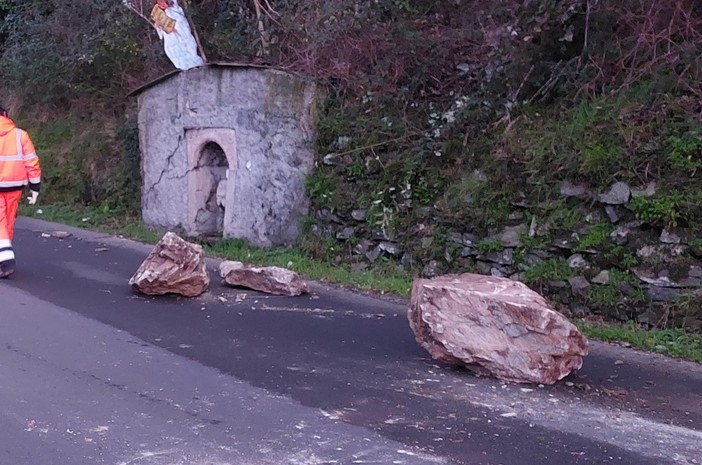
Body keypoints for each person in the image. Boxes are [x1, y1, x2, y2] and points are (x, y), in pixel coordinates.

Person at [0, 105, 41, 278]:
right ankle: (3, 258)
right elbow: (32, 162)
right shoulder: (20, 135)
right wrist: (35, 188)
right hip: (15, 186)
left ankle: (5, 260)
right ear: (5, 115)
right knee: (7, 222)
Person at [151, 0, 204, 70]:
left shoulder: (175, 10)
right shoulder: (160, 14)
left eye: (162, 2)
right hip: (170, 39)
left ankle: (194, 65)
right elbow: (162, 33)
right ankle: (183, 67)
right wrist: (158, 27)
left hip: (180, 36)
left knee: (188, 51)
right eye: (159, 3)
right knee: (172, 52)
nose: (162, 4)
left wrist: (176, 28)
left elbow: (182, 22)